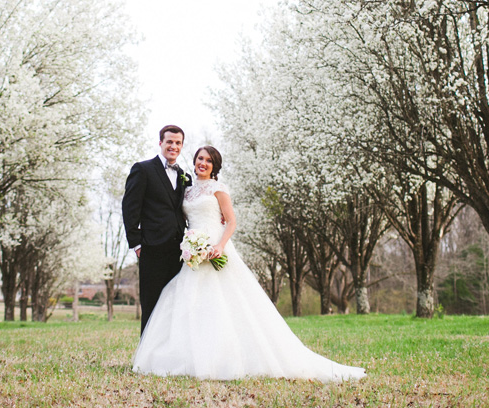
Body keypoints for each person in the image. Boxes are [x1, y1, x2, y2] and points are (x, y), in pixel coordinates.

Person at [132, 145, 366, 382]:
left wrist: (219, 246)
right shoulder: (187, 189)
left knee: (226, 303)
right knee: (189, 302)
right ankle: (185, 357)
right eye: (200, 158)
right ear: (194, 161)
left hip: (216, 249)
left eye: (208, 160)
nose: (203, 163)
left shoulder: (219, 189)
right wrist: (190, 245)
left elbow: (231, 221)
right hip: (193, 252)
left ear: (215, 166)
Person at [122, 125, 191, 335]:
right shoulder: (143, 169)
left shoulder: (184, 176)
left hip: (178, 251)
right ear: (160, 142)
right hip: (151, 248)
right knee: (151, 304)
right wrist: (137, 243)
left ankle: (168, 357)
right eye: (169, 141)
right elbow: (130, 207)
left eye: (178, 143)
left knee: (174, 305)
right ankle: (146, 358)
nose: (173, 146)